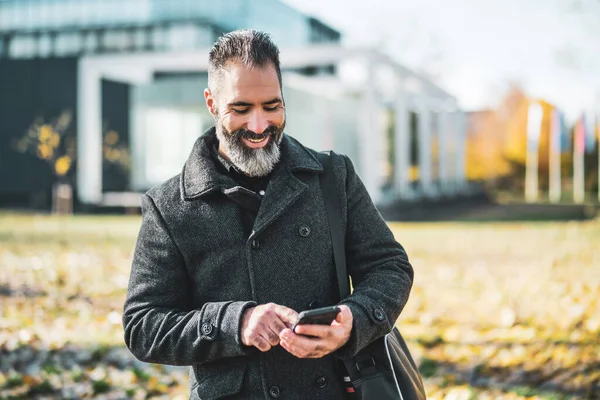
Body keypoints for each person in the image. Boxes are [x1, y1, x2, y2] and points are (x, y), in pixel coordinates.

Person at [122, 29, 414, 400]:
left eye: (272, 106)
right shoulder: (169, 206)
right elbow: (143, 325)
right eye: (241, 109)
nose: (259, 126)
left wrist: (353, 321)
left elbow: (390, 266)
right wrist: (235, 324)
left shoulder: (333, 176)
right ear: (212, 103)